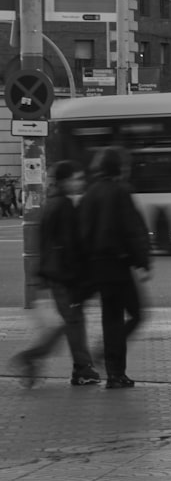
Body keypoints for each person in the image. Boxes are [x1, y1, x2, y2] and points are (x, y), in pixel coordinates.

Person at [10, 161, 100, 388]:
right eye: (76, 178)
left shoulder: (51, 203)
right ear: (65, 180)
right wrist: (80, 276)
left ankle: (81, 367)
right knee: (71, 322)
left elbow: (45, 242)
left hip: (56, 274)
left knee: (70, 322)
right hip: (65, 276)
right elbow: (69, 246)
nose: (80, 182)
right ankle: (43, 360)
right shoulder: (64, 206)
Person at [78, 147, 152, 389]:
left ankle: (114, 373)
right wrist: (143, 261)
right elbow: (132, 229)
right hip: (118, 265)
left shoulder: (90, 193)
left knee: (110, 318)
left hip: (98, 266)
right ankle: (113, 366)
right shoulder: (121, 191)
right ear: (120, 167)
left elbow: (83, 233)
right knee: (136, 314)